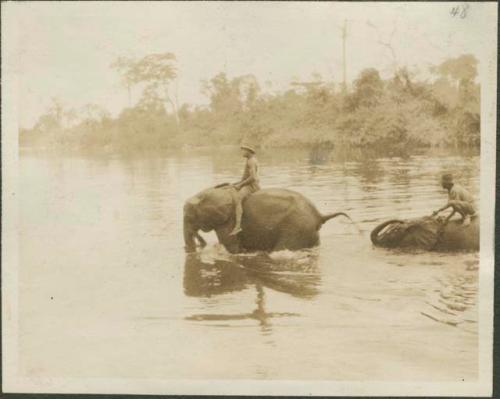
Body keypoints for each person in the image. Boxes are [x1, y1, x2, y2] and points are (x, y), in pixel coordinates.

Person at [229, 144, 260, 236]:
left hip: (251, 186)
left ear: (248, 151)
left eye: (243, 150)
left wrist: (240, 185)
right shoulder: (249, 160)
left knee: (238, 199)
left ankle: (238, 226)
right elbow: (245, 177)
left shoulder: (251, 161)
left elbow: (253, 177)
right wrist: (236, 183)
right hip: (248, 184)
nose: (242, 152)